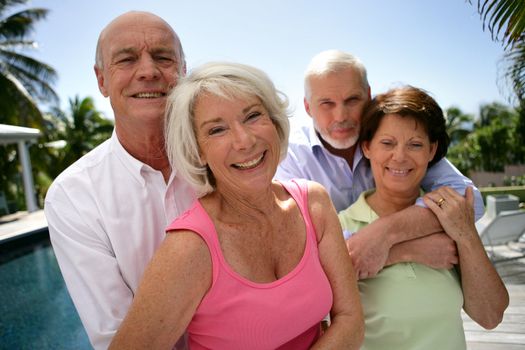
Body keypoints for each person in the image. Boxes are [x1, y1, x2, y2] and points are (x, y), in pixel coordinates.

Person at [109, 62, 365, 349]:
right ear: (198, 151)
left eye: (253, 116)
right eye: (217, 130)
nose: (244, 141)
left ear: (274, 121)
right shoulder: (190, 248)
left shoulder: (313, 202)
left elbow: (350, 319)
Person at [44, 11, 196, 349]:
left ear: (183, 72)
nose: (148, 71)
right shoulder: (73, 197)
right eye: (126, 59)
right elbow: (116, 339)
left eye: (163, 57)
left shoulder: (227, 161)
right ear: (101, 81)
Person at [275, 50, 485, 278]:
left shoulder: (397, 138)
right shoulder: (289, 158)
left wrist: (386, 231)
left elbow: (470, 200)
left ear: (368, 95)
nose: (341, 115)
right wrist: (402, 250)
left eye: (352, 100)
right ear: (307, 107)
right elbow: (297, 247)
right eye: (327, 103)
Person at [338, 85, 509, 349]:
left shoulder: (448, 218)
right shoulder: (341, 226)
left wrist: (464, 234)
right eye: (387, 143)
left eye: (415, 145)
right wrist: (404, 250)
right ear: (367, 148)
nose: (400, 157)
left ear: (432, 151)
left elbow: (490, 315)